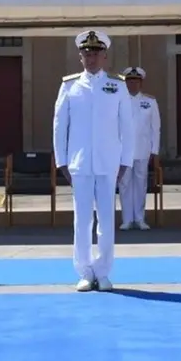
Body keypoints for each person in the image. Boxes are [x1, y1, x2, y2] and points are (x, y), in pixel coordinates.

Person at [53, 30, 134, 292]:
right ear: (80, 56)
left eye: (96, 53)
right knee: (82, 220)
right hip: (79, 163)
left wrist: (126, 161)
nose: (91, 58)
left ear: (105, 56)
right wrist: (61, 161)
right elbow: (59, 125)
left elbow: (127, 126)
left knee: (107, 220)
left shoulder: (118, 85)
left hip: (109, 162)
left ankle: (104, 271)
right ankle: (85, 272)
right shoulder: (69, 85)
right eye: (87, 54)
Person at [119, 66, 160, 231]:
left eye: (136, 81)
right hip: (123, 151)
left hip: (143, 149)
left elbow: (155, 128)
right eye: (129, 81)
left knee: (141, 184)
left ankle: (140, 218)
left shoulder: (150, 102)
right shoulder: (119, 101)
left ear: (141, 83)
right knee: (124, 184)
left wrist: (154, 150)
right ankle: (127, 219)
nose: (132, 84)